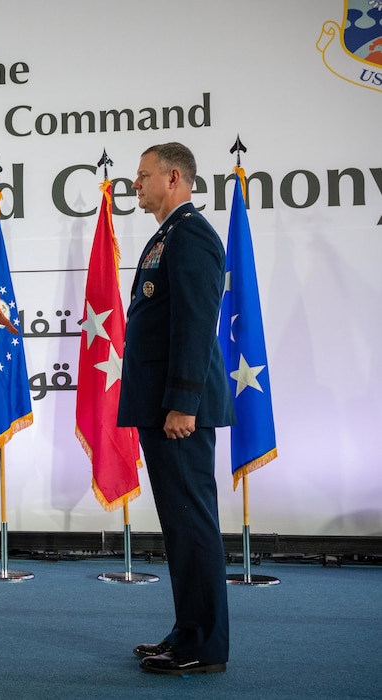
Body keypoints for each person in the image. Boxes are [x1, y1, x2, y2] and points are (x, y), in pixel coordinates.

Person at [117, 143, 235, 676]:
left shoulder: (191, 236)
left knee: (192, 525)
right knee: (179, 526)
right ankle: (188, 629)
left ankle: (204, 644)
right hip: (163, 404)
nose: (135, 185)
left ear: (173, 177)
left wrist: (183, 403)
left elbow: (194, 322)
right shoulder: (168, 234)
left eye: (143, 176)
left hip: (178, 410)